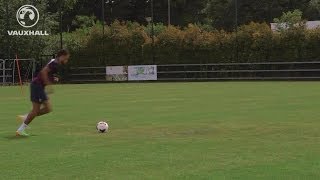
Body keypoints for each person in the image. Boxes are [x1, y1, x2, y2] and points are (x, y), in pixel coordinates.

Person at [16, 49, 70, 136]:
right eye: (66, 58)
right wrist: (49, 84)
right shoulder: (55, 63)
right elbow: (43, 72)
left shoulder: (54, 62)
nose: (66, 61)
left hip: (37, 86)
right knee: (45, 109)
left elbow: (47, 73)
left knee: (42, 109)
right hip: (38, 86)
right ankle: (23, 124)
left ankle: (24, 123)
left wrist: (53, 79)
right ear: (62, 56)